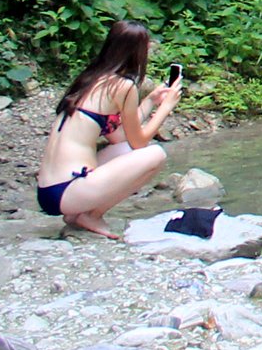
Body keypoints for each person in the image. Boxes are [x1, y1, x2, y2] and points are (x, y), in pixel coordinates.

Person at [34, 20, 178, 236]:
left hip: (50, 191)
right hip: (69, 188)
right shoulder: (123, 86)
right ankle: (90, 215)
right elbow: (139, 141)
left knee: (128, 150)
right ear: (137, 51)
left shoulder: (93, 78)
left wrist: (150, 101)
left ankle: (79, 212)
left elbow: (120, 137)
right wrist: (165, 108)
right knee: (156, 154)